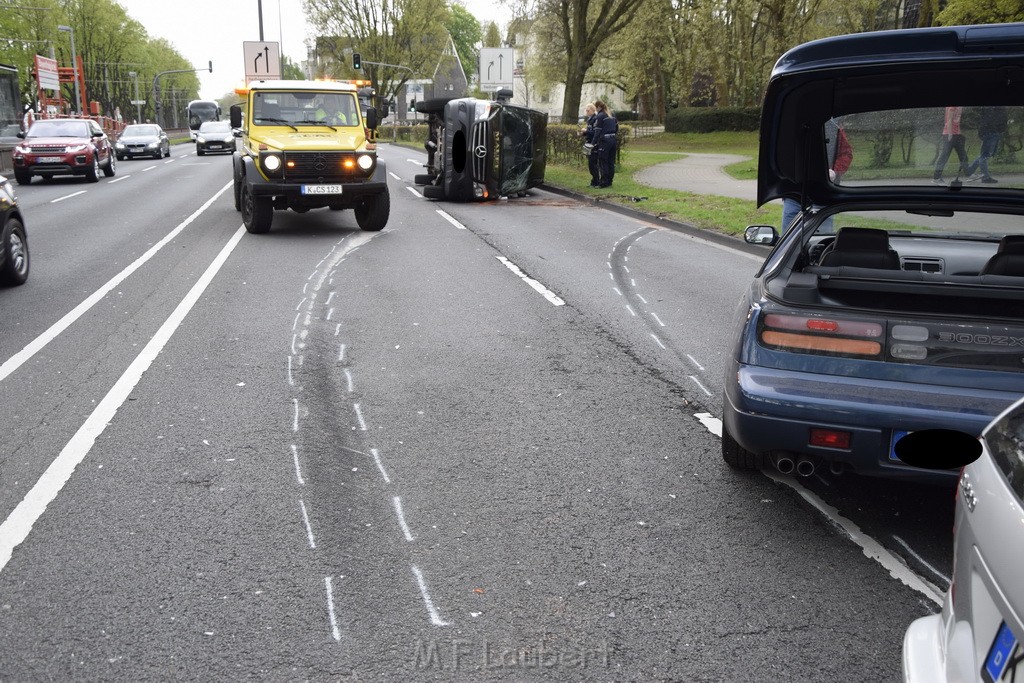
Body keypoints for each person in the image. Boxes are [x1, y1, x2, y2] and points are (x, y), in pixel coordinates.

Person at [782, 118, 853, 232]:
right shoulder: (790, 128)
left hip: (824, 195)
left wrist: (834, 171)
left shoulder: (833, 127)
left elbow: (846, 154)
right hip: (794, 195)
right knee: (788, 238)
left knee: (820, 241)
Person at [966, 106, 1007, 184]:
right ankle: (985, 177)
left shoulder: (992, 108)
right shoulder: (991, 108)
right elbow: (990, 119)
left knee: (985, 155)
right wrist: (995, 129)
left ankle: (970, 170)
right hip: (991, 132)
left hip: (993, 132)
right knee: (985, 155)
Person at [933, 106, 969, 184]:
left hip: (957, 135)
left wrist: (960, 134)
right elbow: (949, 120)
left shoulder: (960, 107)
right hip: (949, 134)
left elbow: (957, 122)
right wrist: (950, 134)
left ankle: (969, 174)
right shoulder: (952, 107)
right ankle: (936, 178)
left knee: (963, 156)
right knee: (944, 157)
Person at [592, 100, 618, 188]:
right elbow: (616, 127)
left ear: (598, 107)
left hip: (605, 141)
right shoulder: (612, 115)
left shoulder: (600, 116)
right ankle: (610, 181)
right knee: (611, 161)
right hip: (613, 140)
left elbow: (597, 131)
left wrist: (593, 143)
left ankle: (604, 182)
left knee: (603, 161)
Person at [579, 103, 600, 187]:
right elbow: (589, 132)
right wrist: (583, 133)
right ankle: (594, 181)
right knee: (591, 164)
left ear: (593, 110)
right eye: (586, 110)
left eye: (588, 110)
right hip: (589, 142)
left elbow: (595, 133)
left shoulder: (595, 119)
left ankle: (596, 181)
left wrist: (586, 131)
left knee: (593, 163)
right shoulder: (590, 119)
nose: (587, 112)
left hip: (593, 143)